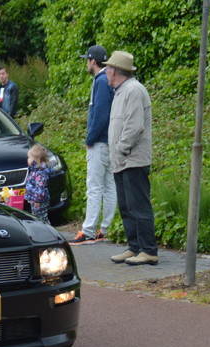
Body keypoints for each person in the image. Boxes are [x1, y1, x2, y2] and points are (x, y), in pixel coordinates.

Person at [105, 50, 158, 266]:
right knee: (126, 207)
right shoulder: (121, 91)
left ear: (115, 71)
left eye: (108, 68)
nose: (106, 71)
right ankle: (135, 247)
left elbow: (135, 126)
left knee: (139, 206)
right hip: (122, 161)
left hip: (132, 160)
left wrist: (121, 150)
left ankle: (149, 250)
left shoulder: (134, 90)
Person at [70, 45, 117, 245]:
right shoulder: (111, 79)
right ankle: (105, 228)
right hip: (111, 140)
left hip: (100, 142)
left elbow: (100, 113)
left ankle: (88, 230)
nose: (86, 64)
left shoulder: (100, 81)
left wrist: (90, 138)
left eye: (87, 60)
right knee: (109, 185)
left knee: (94, 187)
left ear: (92, 61)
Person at [24, 144, 51, 224]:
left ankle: (47, 231)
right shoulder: (33, 171)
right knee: (36, 216)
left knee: (41, 217)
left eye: (29, 158)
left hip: (39, 201)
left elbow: (40, 188)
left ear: (35, 160)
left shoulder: (41, 174)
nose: (28, 160)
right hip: (34, 199)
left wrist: (37, 200)